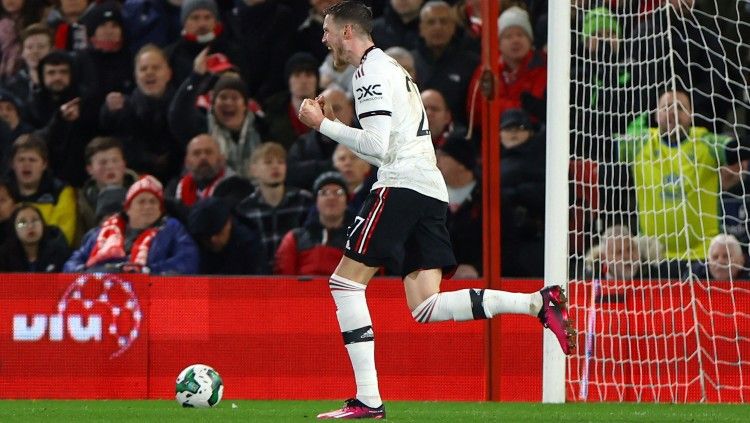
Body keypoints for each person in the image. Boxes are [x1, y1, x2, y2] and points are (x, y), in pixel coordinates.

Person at [297, 2, 574, 418]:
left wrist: (321, 125)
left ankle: (368, 399)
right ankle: (537, 303)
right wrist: (342, 126)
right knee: (426, 305)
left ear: (348, 33)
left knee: (345, 285)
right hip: (428, 188)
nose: (324, 38)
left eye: (328, 31)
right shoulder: (392, 69)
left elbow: (378, 149)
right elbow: (387, 144)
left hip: (403, 186)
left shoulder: (368, 71)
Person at [618, 90, 750, 266]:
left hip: (702, 255)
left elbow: (734, 151)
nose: (672, 112)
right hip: (652, 256)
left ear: (691, 114)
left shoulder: (705, 141)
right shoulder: (639, 143)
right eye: (666, 107)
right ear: (656, 114)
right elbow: (600, 144)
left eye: (680, 108)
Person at [64, 175, 200, 274]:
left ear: (161, 209)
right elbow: (71, 264)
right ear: (127, 208)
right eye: (141, 201)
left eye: (153, 202)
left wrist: (148, 271)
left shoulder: (172, 229)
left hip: (152, 297)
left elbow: (188, 261)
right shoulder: (100, 233)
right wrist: (88, 273)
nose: (148, 206)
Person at [235, 142, 313, 270]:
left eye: (281, 162)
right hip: (259, 280)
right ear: (253, 170)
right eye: (268, 162)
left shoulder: (303, 200)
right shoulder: (245, 209)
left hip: (297, 278)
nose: (275, 167)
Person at [275, 171, 352, 275]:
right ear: (316, 202)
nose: (331, 197)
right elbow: (283, 280)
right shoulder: (294, 239)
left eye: (338, 192)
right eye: (324, 192)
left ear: (346, 201)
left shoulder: (358, 241)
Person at [7, 134, 78, 245]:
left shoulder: (60, 192)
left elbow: (62, 236)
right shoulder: (4, 194)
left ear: (44, 164)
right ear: (12, 164)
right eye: (21, 160)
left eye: (32, 160)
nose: (26, 165)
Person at [188, 197, 266, 275]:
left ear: (229, 223)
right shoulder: (196, 245)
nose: (213, 240)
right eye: (207, 237)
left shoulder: (249, 245)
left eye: (218, 233)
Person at [0, 203, 71, 272]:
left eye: (35, 220)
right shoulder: (4, 257)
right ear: (14, 229)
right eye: (22, 223)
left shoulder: (59, 252)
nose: (30, 226)